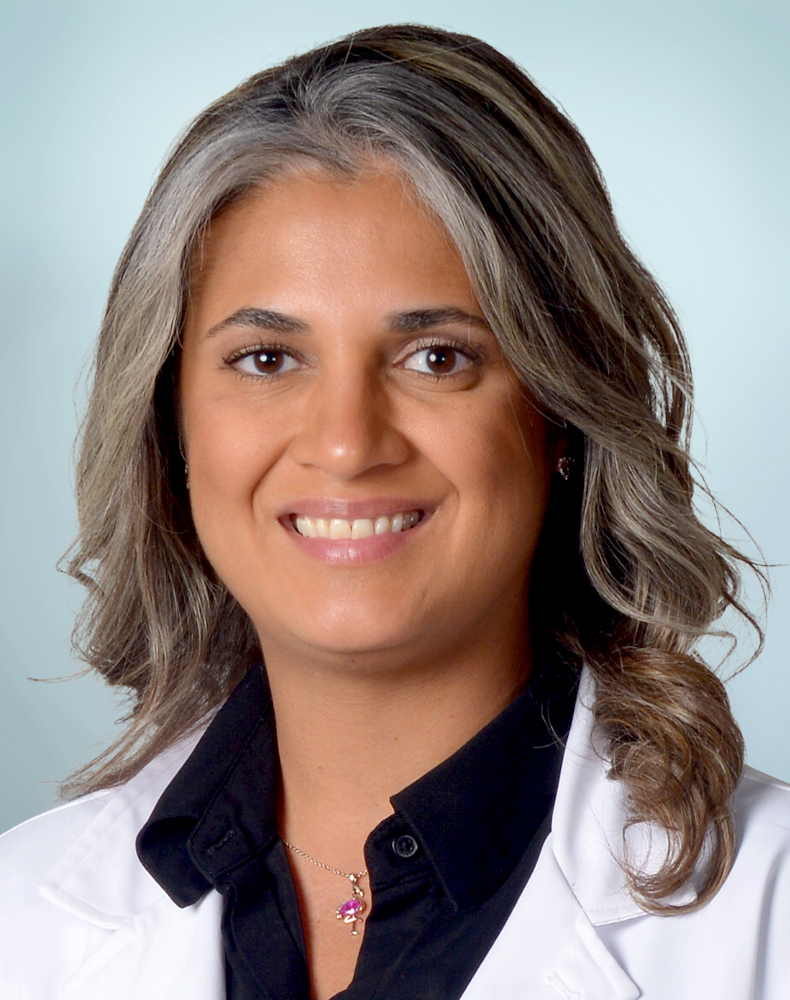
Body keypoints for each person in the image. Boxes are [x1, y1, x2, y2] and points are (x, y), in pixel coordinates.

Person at [0, 23, 788, 1000]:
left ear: (561, 416)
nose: (346, 442)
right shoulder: (21, 921)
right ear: (172, 427)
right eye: (267, 359)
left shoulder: (769, 913)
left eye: (436, 357)